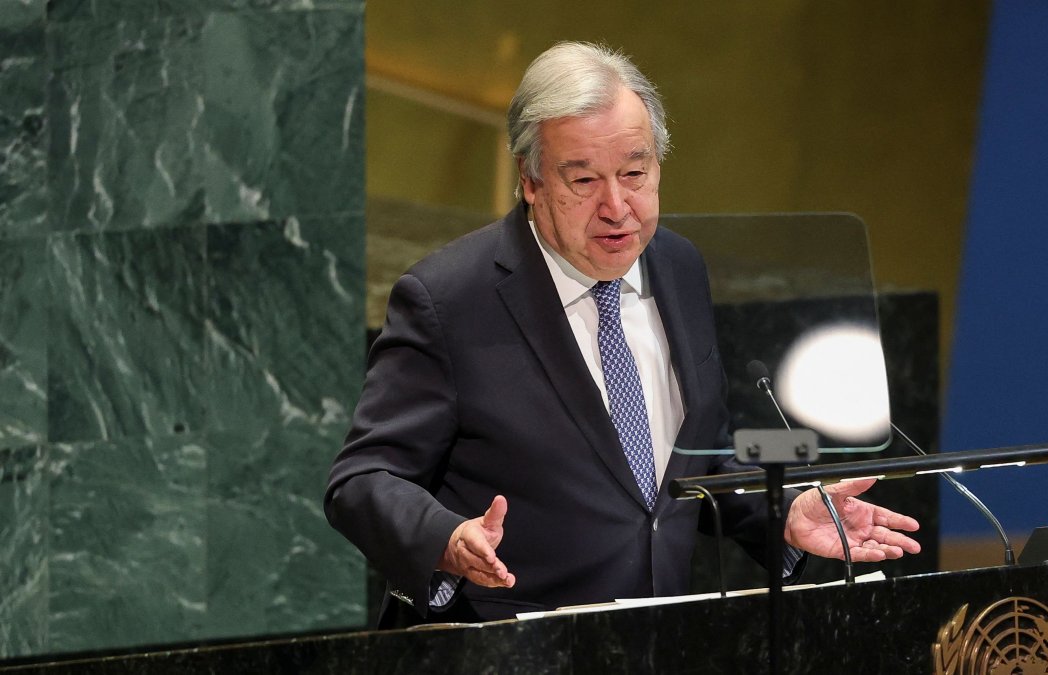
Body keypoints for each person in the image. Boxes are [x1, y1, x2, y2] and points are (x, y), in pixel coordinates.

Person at [325, 41, 920, 628]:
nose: (617, 207)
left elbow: (690, 459)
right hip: (507, 646)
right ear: (530, 181)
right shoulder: (448, 298)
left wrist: (783, 512)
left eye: (635, 173)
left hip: (658, 640)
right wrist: (446, 538)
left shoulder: (679, 267)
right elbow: (362, 480)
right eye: (583, 181)